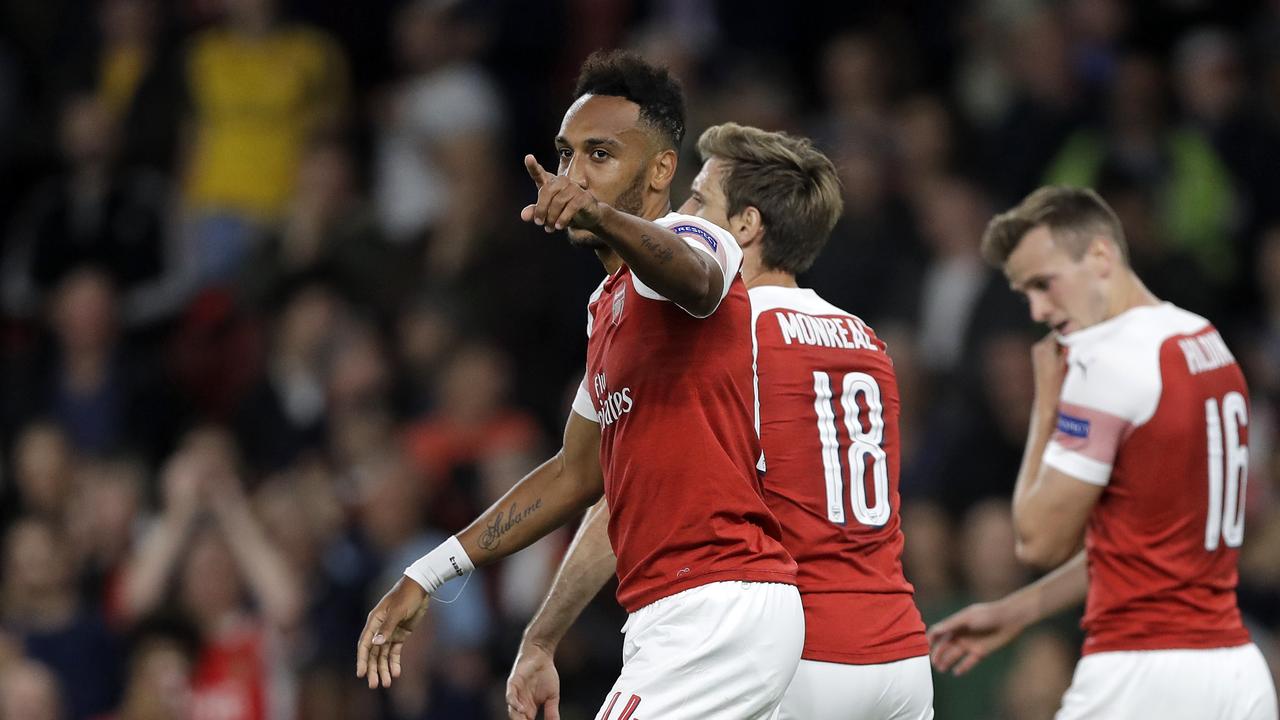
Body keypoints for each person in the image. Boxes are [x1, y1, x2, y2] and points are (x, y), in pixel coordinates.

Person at [356, 51, 803, 720]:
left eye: (600, 155)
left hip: (713, 603)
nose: (573, 175)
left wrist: (602, 217)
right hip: (692, 611)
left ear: (659, 170)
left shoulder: (690, 235)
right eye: (567, 155)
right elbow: (574, 474)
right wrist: (430, 573)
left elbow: (699, 279)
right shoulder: (608, 307)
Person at [503, 123, 935, 720]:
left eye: (699, 201)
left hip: (799, 659)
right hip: (900, 658)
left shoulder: (722, 340)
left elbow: (631, 500)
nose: (679, 212)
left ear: (745, 227)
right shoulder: (867, 341)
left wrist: (543, 635)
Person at [927, 186, 1278, 719]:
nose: (1040, 310)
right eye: (1027, 294)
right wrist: (1020, 609)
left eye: (1045, 285)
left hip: (1141, 676)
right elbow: (1143, 542)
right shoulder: (1204, 340)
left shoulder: (1106, 360)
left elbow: (1036, 540)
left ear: (1099, 256)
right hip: (1235, 672)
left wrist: (1045, 406)